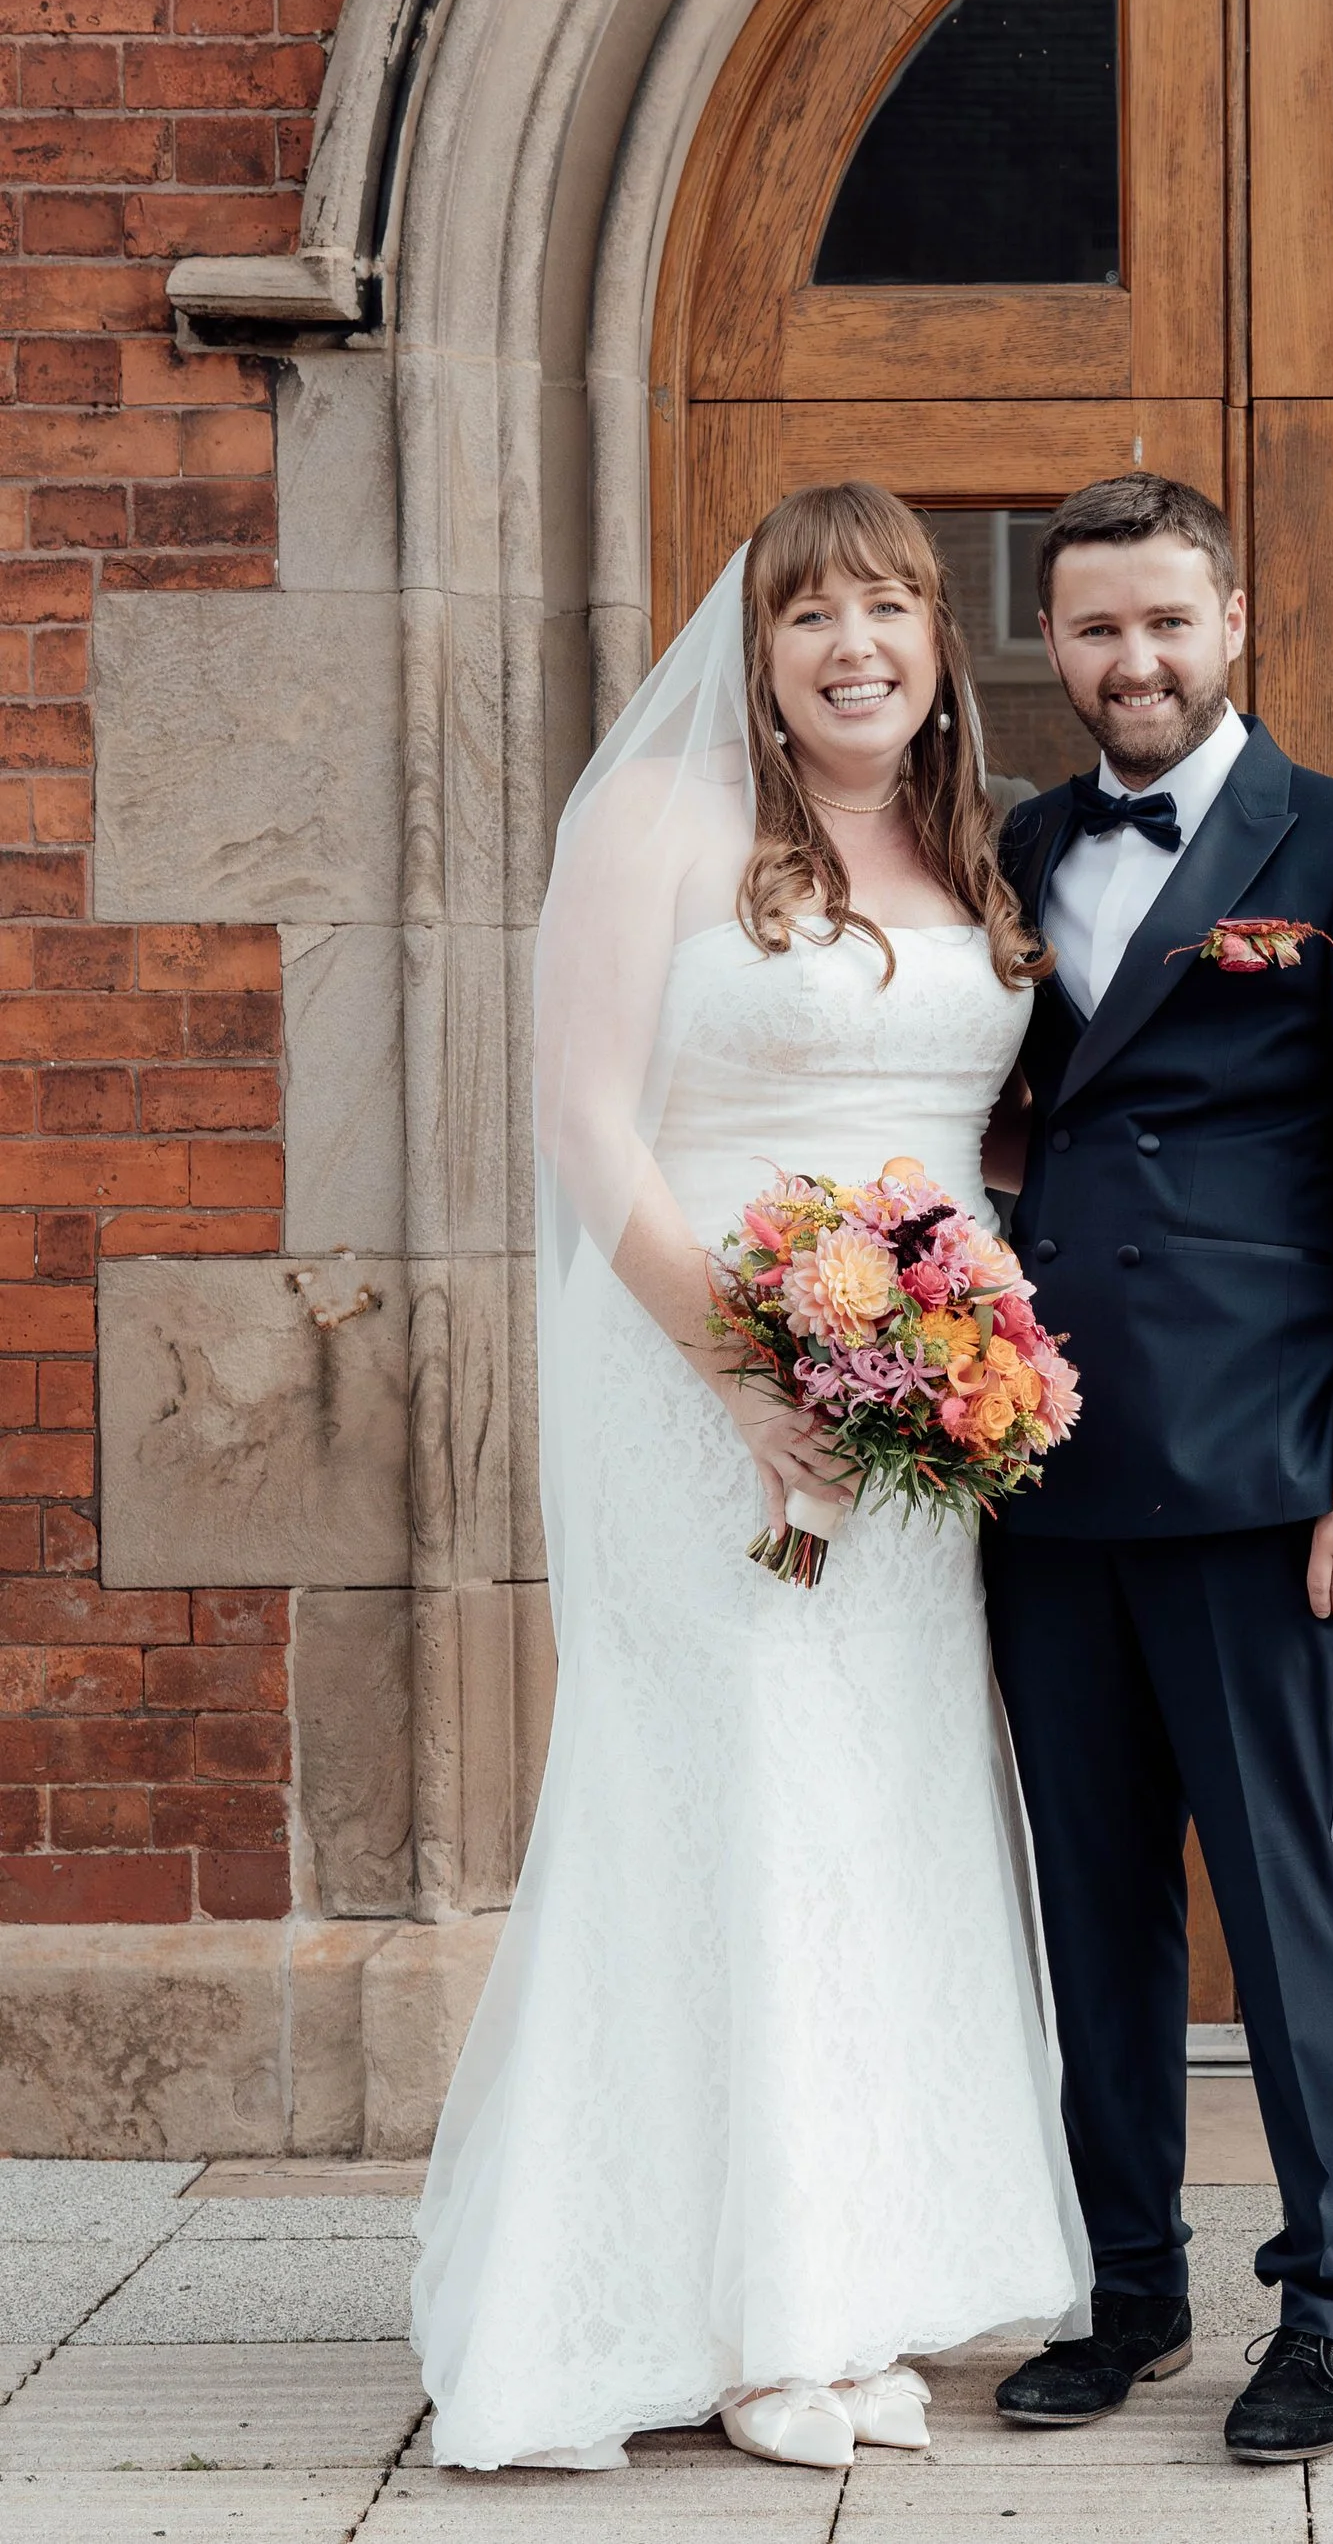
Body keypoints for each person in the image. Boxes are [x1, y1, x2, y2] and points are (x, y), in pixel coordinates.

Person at [410, 482, 1088, 2475]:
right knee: (728, 1792)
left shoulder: (966, 842)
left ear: (939, 643)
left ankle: (845, 2279)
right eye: (812, 615)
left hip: (910, 1414)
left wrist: (960, 1349)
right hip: (697, 1386)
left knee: (873, 1800)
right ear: (759, 650)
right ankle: (744, 2321)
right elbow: (583, 1124)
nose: (853, 642)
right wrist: (740, 1373)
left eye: (889, 606)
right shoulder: (661, 822)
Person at [984, 473, 1333, 2466]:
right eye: (1096, 629)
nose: (1133, 662)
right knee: (1092, 1900)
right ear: (1053, 643)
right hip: (1044, 1470)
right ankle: (1126, 2285)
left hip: (1267, 1472)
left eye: (1165, 623)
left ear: (1235, 619)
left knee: (1282, 1904)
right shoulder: (1022, 842)